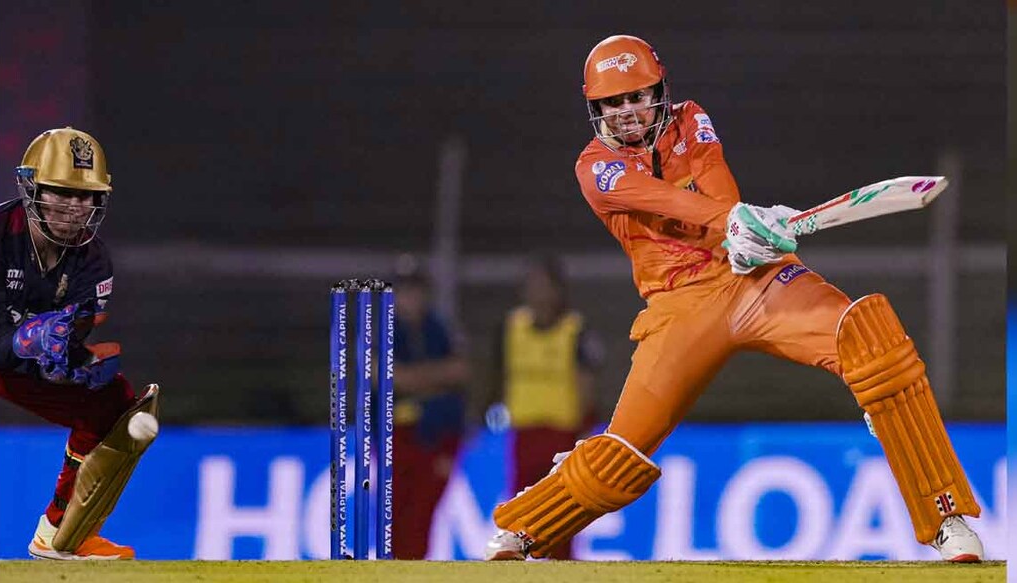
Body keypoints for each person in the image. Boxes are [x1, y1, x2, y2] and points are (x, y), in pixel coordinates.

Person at [484, 35, 983, 563]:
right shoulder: (593, 167)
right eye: (615, 101)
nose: (629, 111)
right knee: (621, 454)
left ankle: (945, 517)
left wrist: (745, 229)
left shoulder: (691, 118)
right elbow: (655, 196)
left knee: (873, 343)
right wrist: (730, 220)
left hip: (754, 279)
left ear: (660, 90)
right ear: (596, 108)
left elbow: (716, 181)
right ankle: (525, 526)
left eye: (639, 96)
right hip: (679, 308)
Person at [0, 127, 160, 560]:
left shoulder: (94, 260)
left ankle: (60, 533)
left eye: (86, 197)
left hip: (8, 366)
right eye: (62, 194)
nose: (75, 208)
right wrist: (27, 339)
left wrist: (67, 360)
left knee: (111, 404)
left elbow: (73, 332)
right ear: (31, 188)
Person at [485, 254, 603, 560]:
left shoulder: (575, 330)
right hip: (523, 434)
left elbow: (587, 382)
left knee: (562, 516)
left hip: (562, 437)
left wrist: (584, 429)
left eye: (545, 286)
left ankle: (561, 571)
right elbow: (497, 375)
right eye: (533, 286)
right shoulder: (511, 327)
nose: (539, 293)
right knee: (521, 514)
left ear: (558, 290)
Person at [390, 258, 471, 559]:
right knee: (393, 512)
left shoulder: (441, 329)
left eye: (415, 290)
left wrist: (412, 378)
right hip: (395, 436)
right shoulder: (382, 330)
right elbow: (383, 376)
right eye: (404, 291)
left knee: (423, 512)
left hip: (436, 437)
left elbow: (461, 372)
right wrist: (435, 378)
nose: (410, 298)